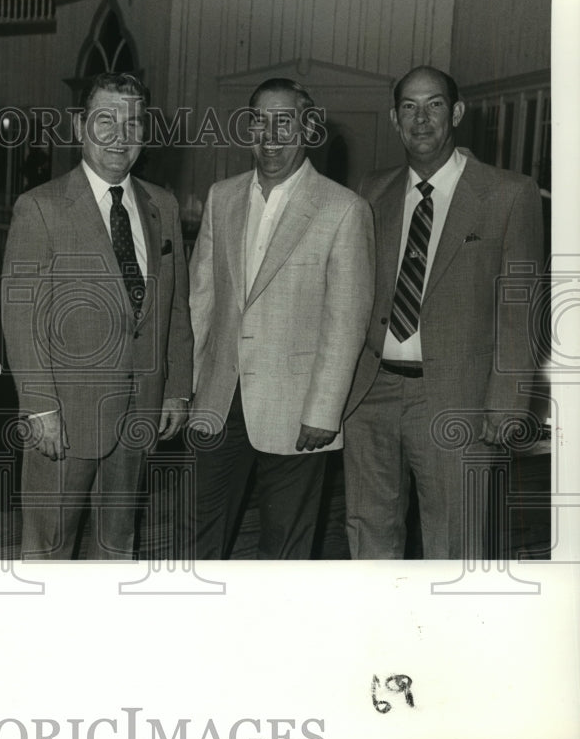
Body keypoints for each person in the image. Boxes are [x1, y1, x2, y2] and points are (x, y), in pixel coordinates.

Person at [343, 65, 543, 560]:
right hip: (371, 392)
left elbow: (519, 309)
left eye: (434, 104)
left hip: (459, 397)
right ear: (394, 118)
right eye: (409, 107)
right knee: (369, 531)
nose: (421, 118)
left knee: (455, 539)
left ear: (456, 112)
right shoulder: (373, 190)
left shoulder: (509, 193)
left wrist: (507, 404)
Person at [1, 72, 193, 559]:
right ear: (78, 126)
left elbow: (174, 307)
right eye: (105, 120)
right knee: (48, 546)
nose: (119, 136)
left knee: (117, 543)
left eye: (132, 122)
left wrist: (175, 389)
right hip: (64, 416)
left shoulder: (162, 205)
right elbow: (20, 317)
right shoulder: (39, 207)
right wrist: (40, 407)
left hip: (139, 411)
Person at [187, 78, 374, 559]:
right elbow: (201, 300)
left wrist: (323, 410)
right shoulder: (222, 197)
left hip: (297, 411)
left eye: (284, 122)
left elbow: (346, 320)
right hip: (218, 400)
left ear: (308, 128)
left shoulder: (343, 209)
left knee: (284, 550)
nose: (270, 135)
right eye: (259, 121)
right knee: (199, 537)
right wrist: (190, 387)